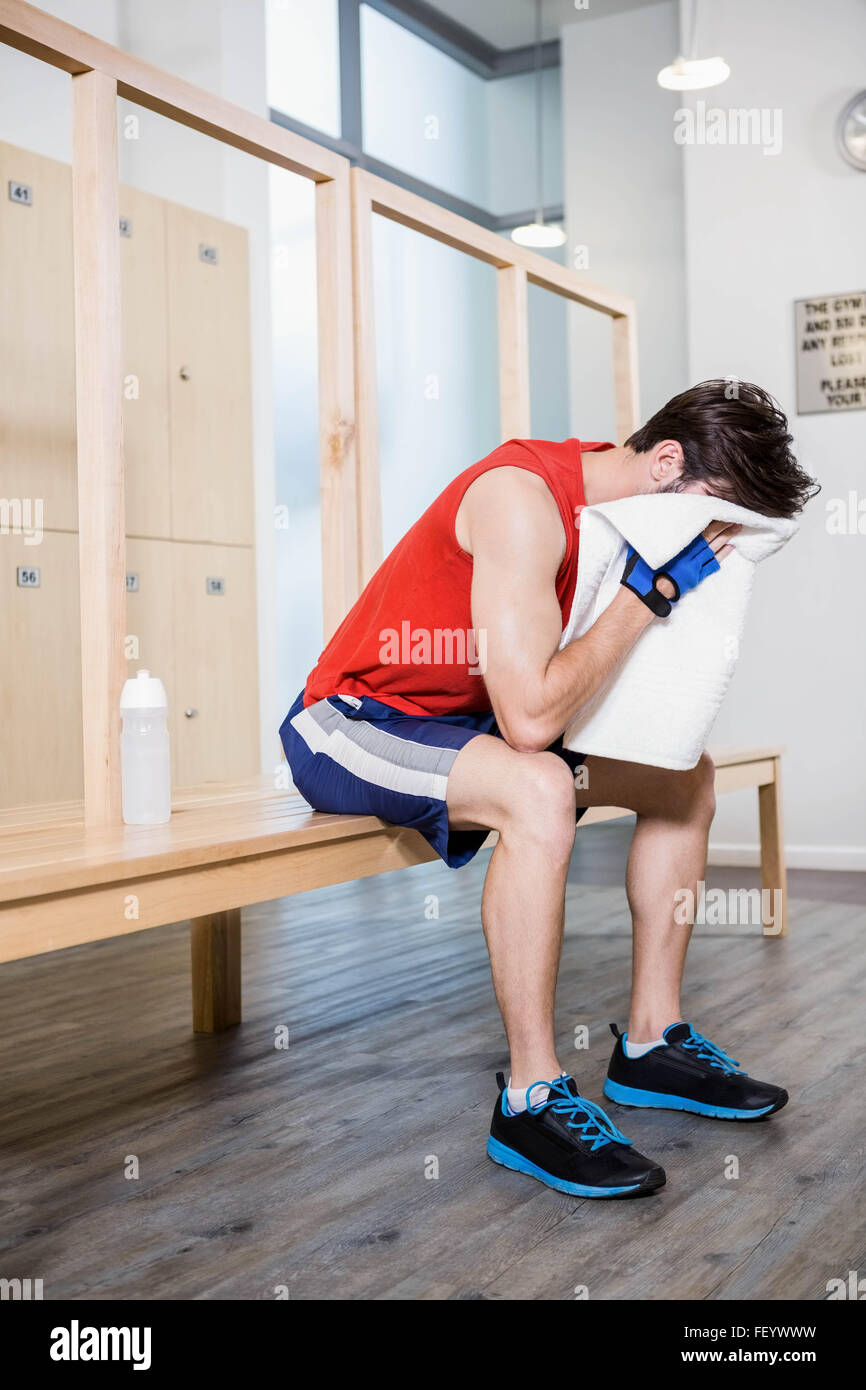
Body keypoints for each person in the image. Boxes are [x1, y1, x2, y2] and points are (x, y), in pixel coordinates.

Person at [281, 380, 817, 1200]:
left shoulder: (605, 522)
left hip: (463, 727)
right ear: (666, 462)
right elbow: (531, 721)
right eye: (709, 515)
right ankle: (530, 1099)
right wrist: (651, 597)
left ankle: (650, 1045)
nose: (710, 542)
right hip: (351, 722)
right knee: (537, 786)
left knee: (687, 777)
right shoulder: (521, 501)